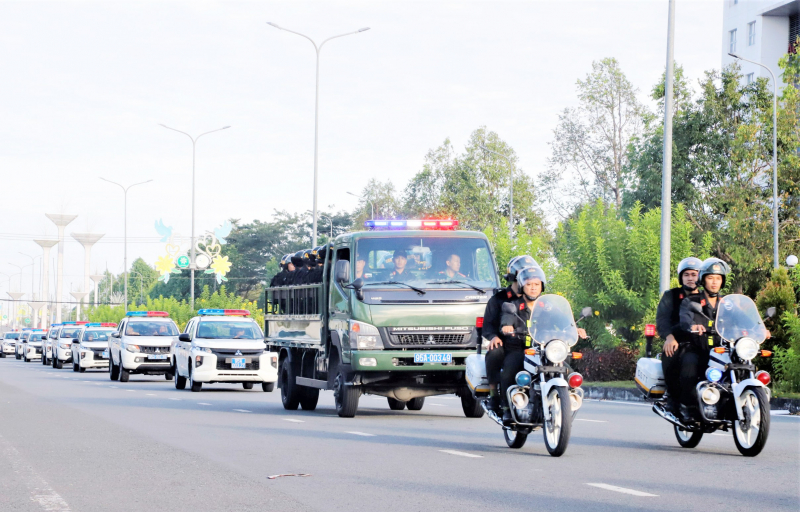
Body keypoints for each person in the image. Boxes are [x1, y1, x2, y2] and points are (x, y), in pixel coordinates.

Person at [482, 255, 538, 415]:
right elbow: (488, 326)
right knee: (495, 351)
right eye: (524, 276)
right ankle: (494, 394)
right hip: (507, 344)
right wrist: (494, 336)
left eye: (533, 281)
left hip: (532, 344)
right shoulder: (499, 299)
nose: (530, 284)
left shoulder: (537, 300)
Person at [678, 257, 730, 422]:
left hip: (722, 350)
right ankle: (687, 407)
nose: (715, 282)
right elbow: (685, 320)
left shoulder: (727, 304)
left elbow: (738, 319)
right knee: (690, 365)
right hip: (697, 348)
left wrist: (757, 329)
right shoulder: (691, 301)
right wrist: (693, 326)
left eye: (718, 278)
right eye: (710, 278)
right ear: (703, 280)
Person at [656, 257, 702, 414]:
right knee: (671, 353)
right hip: (678, 339)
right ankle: (673, 398)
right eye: (687, 274)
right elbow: (662, 320)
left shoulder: (706, 297)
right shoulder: (671, 295)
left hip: (702, 341)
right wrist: (669, 337)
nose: (690, 278)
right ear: (681, 277)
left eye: (694, 274)